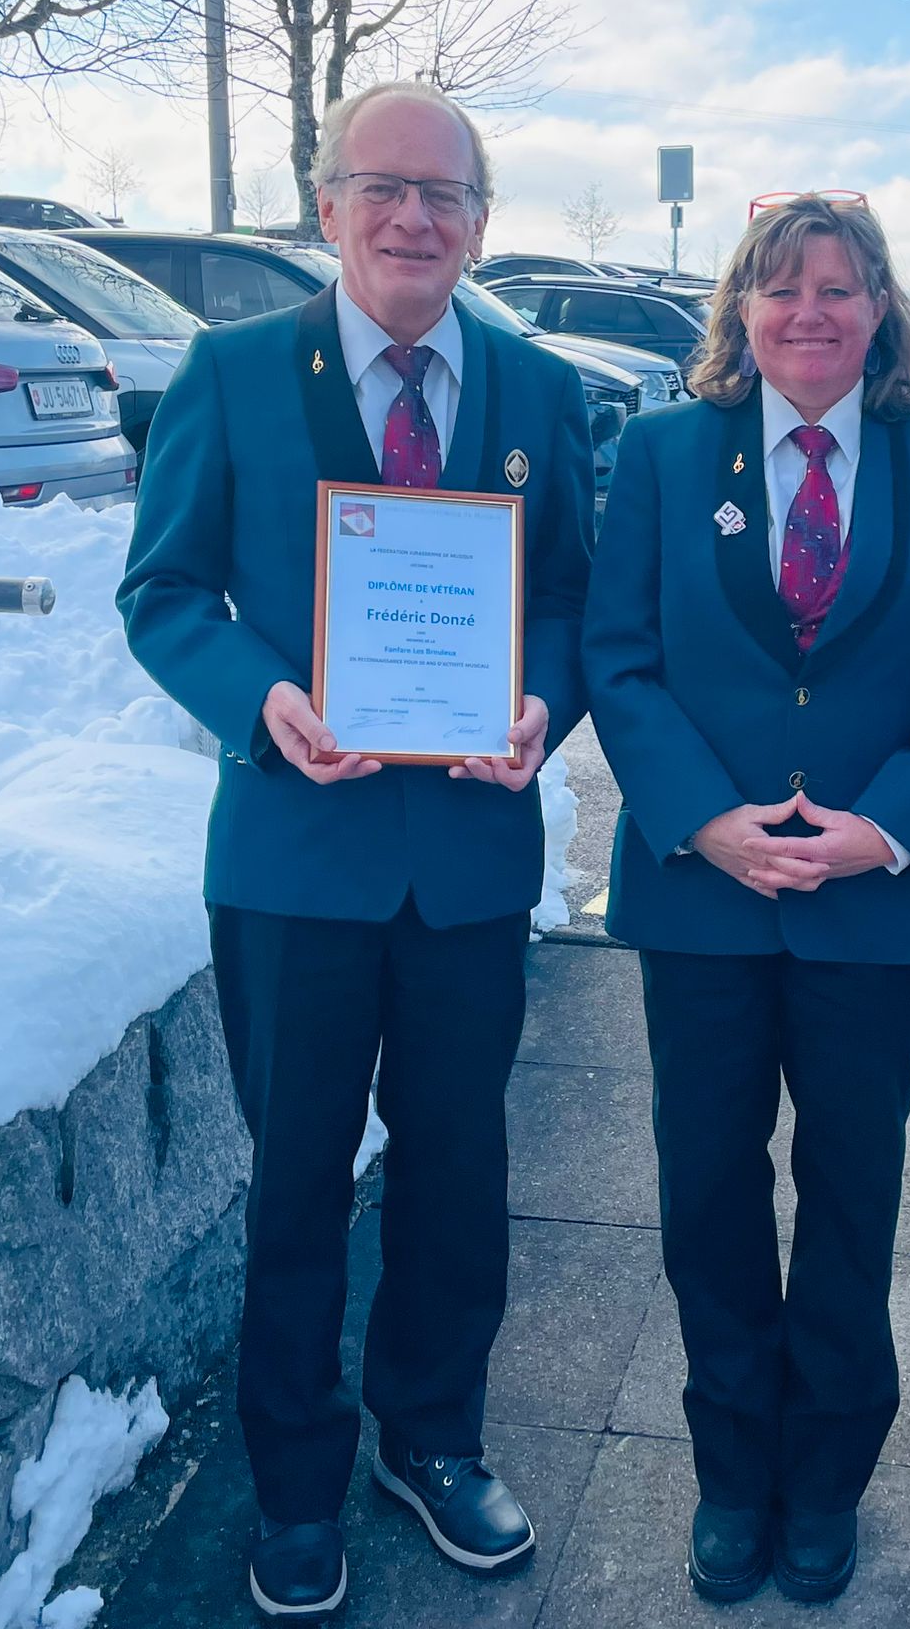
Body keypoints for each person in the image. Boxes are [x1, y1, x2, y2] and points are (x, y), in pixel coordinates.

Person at [117, 81, 593, 1620]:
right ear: (326, 206)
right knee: (298, 1179)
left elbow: (571, 600)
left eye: (444, 194)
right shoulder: (233, 373)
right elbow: (165, 592)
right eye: (381, 187)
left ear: (479, 223)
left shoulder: (536, 390)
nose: (411, 217)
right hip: (295, 860)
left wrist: (541, 702)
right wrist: (261, 700)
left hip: (466, 862)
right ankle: (296, 1479)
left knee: (458, 1168)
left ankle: (433, 1438)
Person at [583, 195, 910, 1605]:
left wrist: (886, 830)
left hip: (867, 902)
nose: (810, 312)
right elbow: (620, 657)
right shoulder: (663, 454)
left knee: (852, 1192)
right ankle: (730, 1467)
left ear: (881, 307)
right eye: (781, 288)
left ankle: (825, 1474)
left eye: (838, 286)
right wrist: (702, 821)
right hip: (701, 897)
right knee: (707, 1188)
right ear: (741, 312)